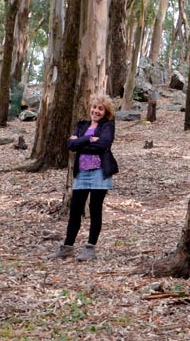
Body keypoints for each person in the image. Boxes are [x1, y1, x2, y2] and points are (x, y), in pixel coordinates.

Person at [51, 95, 118, 262]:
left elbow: (103, 144)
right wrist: (88, 138)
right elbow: (71, 145)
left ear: (106, 112)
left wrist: (81, 142)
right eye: (94, 107)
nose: (96, 111)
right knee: (75, 210)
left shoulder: (107, 126)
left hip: (99, 172)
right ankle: (67, 247)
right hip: (81, 173)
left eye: (100, 109)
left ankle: (90, 248)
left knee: (95, 210)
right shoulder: (82, 125)